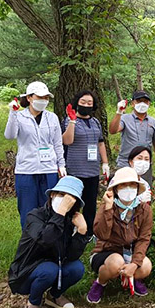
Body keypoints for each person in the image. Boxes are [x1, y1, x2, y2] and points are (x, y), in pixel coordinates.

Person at [8, 176, 88, 308]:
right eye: (61, 195)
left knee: (77, 268)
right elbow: (45, 239)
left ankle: (54, 296)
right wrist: (61, 212)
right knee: (49, 269)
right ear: (52, 195)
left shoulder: (69, 221)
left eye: (69, 200)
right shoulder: (34, 216)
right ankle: (33, 302)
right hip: (26, 273)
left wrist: (82, 232)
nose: (64, 201)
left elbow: (71, 256)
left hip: (54, 269)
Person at [5, 81, 66, 230]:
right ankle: (30, 244)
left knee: (49, 208)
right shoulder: (20, 116)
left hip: (49, 169)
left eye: (46, 98)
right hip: (26, 169)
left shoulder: (52, 117)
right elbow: (10, 135)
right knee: (28, 210)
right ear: (30, 98)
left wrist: (61, 165)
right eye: (40, 97)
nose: (43, 101)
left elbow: (57, 143)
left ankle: (47, 243)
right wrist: (12, 113)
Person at [86, 167, 153, 302]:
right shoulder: (107, 207)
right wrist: (109, 208)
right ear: (116, 189)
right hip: (107, 253)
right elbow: (102, 234)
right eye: (123, 185)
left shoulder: (144, 209)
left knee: (146, 266)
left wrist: (134, 264)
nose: (128, 188)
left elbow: (144, 239)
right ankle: (100, 282)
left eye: (132, 185)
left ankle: (132, 277)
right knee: (117, 262)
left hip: (130, 252)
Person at [62, 90, 109, 236]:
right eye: (83, 102)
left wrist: (105, 163)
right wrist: (72, 121)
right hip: (75, 168)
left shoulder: (95, 122)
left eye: (89, 103)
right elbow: (67, 141)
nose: (86, 105)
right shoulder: (70, 120)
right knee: (73, 202)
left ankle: (88, 232)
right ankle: (70, 229)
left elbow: (100, 143)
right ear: (77, 103)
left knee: (90, 203)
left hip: (92, 170)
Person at [109, 90, 155, 188]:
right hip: (125, 163)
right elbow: (113, 130)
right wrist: (119, 112)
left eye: (145, 101)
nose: (142, 104)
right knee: (124, 192)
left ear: (149, 104)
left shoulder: (153, 122)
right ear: (133, 103)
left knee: (144, 193)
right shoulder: (125, 118)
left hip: (144, 164)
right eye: (139, 101)